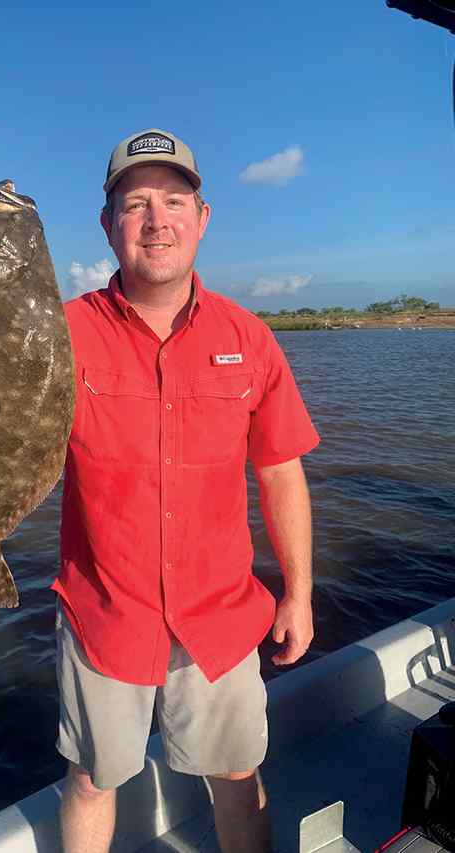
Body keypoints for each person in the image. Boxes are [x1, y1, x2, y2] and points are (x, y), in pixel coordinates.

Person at [49, 128, 320, 853]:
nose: (155, 220)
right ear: (107, 225)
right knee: (91, 779)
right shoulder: (57, 333)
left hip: (219, 618)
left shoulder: (251, 337)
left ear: (203, 219)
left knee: (238, 775)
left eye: (174, 201)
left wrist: (297, 590)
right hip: (104, 612)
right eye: (134, 204)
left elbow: (279, 469)